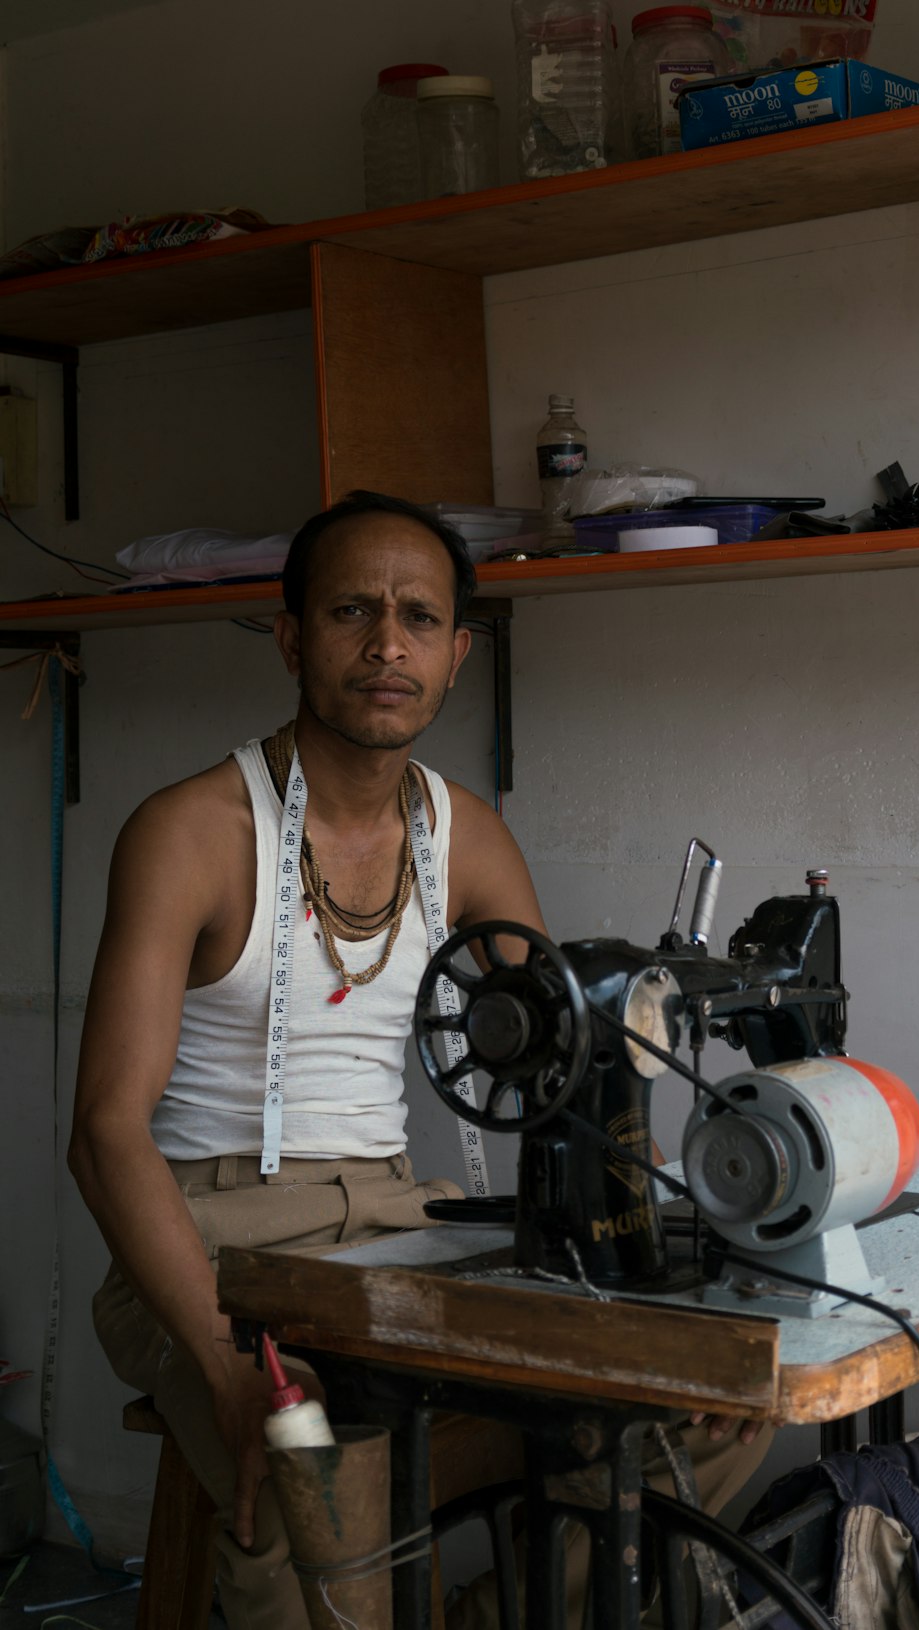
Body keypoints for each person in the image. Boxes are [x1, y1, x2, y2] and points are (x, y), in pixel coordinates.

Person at [69, 491, 771, 1630]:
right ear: (293, 637)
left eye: (418, 616)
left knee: (702, 1410)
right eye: (351, 610)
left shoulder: (467, 837)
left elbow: (561, 1063)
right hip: (209, 1240)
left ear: (455, 654)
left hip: (399, 1217)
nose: (386, 643)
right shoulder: (191, 833)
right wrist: (222, 1361)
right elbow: (103, 1133)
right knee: (309, 1479)